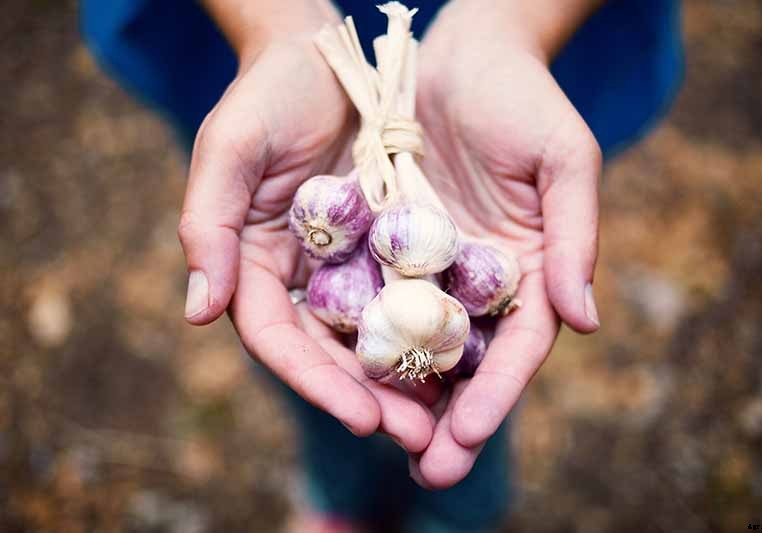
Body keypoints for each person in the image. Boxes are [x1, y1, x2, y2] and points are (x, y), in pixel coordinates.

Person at [81, 1, 683, 531]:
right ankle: (343, 497)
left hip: (524, 58)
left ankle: (456, 513)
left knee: (466, 393)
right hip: (248, 45)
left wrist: (515, 19)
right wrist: (275, 25)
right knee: (316, 377)